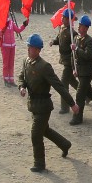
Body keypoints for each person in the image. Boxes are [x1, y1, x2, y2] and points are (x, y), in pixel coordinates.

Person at [17, 34, 79, 173]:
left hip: (44, 106)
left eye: (31, 47)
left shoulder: (44, 66)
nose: (28, 49)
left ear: (38, 50)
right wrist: (21, 87)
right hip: (33, 104)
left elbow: (59, 86)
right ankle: (65, 144)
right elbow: (22, 76)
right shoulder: (26, 61)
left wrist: (72, 103)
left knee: (35, 134)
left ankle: (39, 163)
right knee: (44, 130)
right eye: (28, 46)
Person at [0, 12, 29, 86]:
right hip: (5, 46)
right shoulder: (1, 23)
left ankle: (11, 79)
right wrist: (1, 30)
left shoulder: (11, 22)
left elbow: (18, 30)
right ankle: (6, 79)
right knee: (6, 63)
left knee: (11, 63)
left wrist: (24, 25)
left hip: (12, 46)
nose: (7, 13)